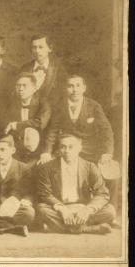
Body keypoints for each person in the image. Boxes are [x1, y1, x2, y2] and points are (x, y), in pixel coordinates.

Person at [39, 74, 118, 209]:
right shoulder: (60, 106)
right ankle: (62, 206)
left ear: (84, 88)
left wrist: (107, 153)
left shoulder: (93, 106)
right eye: (70, 86)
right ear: (66, 88)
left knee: (111, 172)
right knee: (44, 166)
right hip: (67, 151)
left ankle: (110, 209)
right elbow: (52, 131)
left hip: (90, 152)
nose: (74, 89)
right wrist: (47, 152)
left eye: (78, 86)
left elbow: (107, 131)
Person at [36, 133, 116, 234]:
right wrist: (62, 209)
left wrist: (87, 210)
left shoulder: (90, 166)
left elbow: (102, 193)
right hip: (60, 208)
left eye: (71, 147)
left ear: (79, 148)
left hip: (82, 207)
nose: (67, 151)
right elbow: (45, 194)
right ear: (59, 149)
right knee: (41, 210)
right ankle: (87, 229)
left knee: (110, 211)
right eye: (63, 147)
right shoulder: (47, 168)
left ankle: (66, 227)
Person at [0, 72, 51, 164]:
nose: (21, 89)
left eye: (24, 86)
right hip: (17, 150)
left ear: (34, 88)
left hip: (39, 149)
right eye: (18, 86)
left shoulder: (43, 103)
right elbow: (5, 127)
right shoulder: (11, 104)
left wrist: (16, 125)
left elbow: (40, 123)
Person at [19, 34, 68, 104]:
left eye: (41, 47)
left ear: (50, 48)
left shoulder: (59, 70)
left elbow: (63, 97)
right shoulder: (24, 69)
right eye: (34, 47)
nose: (37, 51)